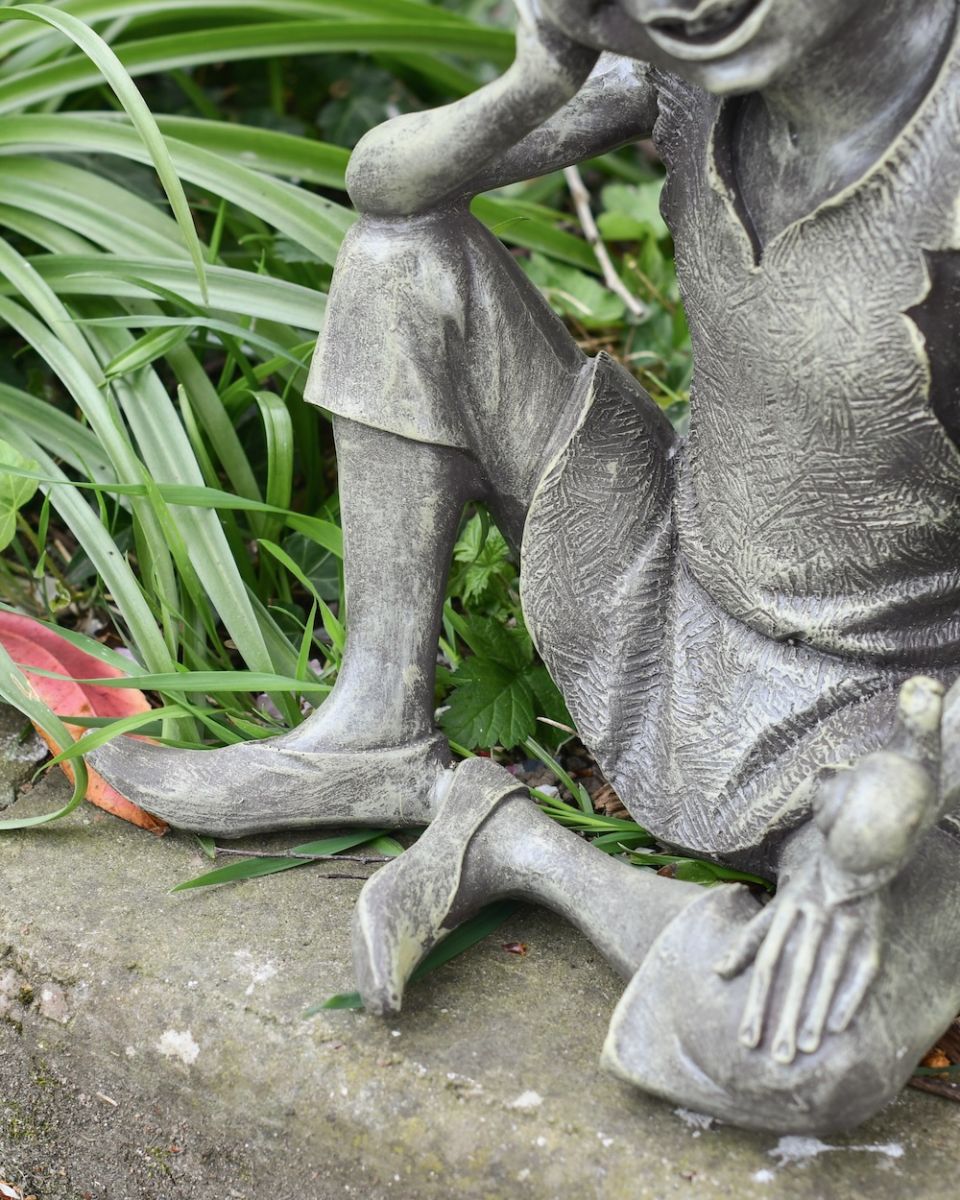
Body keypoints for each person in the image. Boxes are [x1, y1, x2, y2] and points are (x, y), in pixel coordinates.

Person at [96, 0, 960, 1130]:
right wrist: (541, 75)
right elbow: (386, 187)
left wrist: (919, 776)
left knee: (795, 1060)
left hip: (866, 726)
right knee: (406, 259)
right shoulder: (697, 59)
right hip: (663, 573)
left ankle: (518, 846)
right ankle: (374, 729)